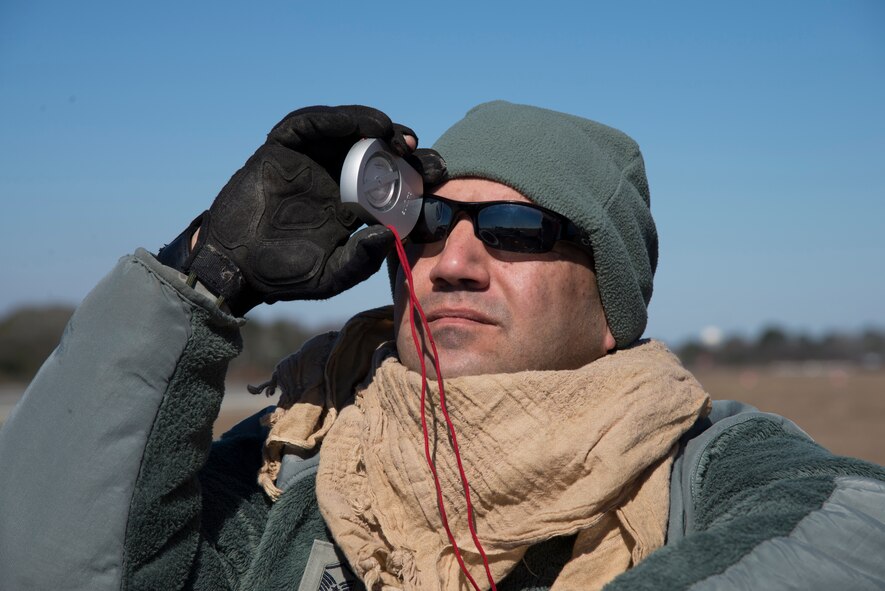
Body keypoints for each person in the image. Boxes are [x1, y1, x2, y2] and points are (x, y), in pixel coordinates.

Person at [0, 101, 883, 591]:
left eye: (515, 229)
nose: (451, 262)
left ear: (610, 303)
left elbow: (854, 532)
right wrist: (202, 276)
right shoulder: (298, 457)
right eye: (423, 225)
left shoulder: (707, 462)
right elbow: (50, 559)